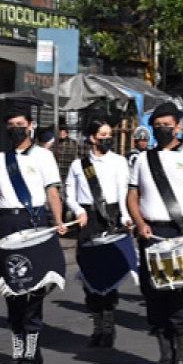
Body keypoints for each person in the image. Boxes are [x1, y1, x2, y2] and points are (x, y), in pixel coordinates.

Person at [127, 102, 183, 364]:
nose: (162, 130)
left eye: (167, 125)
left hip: (182, 230)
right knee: (154, 294)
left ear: (178, 127)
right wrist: (139, 223)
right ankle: (164, 355)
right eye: (157, 126)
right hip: (152, 233)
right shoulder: (141, 159)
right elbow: (132, 195)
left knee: (180, 290)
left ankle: (182, 355)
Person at [0, 99, 67, 364]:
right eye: (11, 126)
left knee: (33, 288)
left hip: (34, 223)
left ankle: (32, 351)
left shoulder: (43, 156)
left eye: (21, 125)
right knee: (12, 287)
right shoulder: (0, 159)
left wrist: (59, 221)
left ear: (31, 126)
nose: (16, 130)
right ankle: (18, 350)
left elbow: (52, 193)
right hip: (7, 224)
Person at [65, 118, 134, 348]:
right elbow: (70, 195)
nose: (107, 139)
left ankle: (108, 326)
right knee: (89, 275)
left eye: (109, 135)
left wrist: (126, 216)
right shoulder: (78, 165)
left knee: (110, 273)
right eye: (102, 135)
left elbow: (124, 191)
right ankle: (97, 324)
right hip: (89, 220)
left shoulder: (119, 162)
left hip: (111, 218)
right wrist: (77, 211)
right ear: (92, 138)